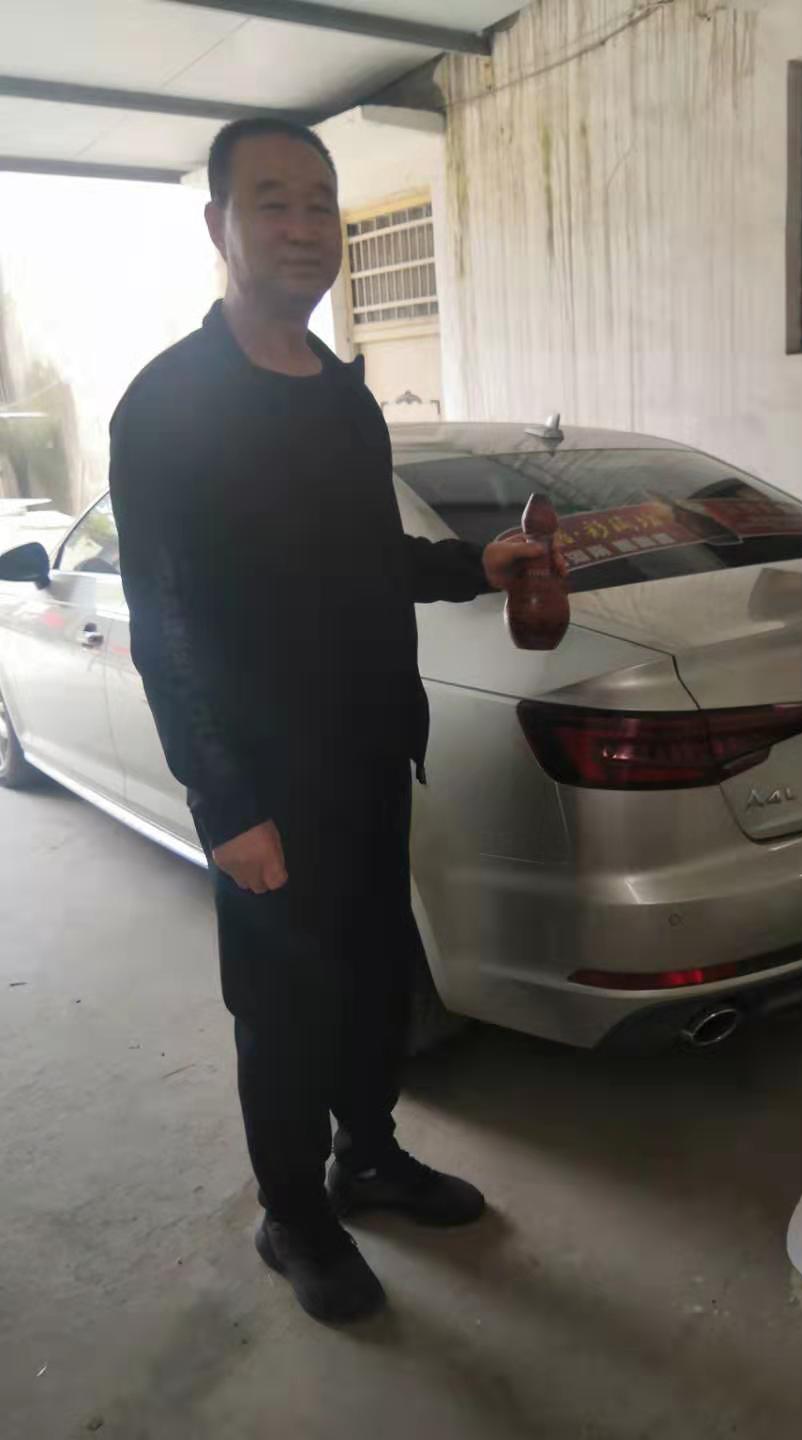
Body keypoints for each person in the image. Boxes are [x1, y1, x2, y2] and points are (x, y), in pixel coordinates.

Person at [109, 117, 561, 1323]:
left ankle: (369, 1155)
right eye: (274, 202)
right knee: (283, 1009)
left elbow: (368, 561)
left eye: (322, 203)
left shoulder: (345, 401)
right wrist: (226, 804)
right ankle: (293, 1214)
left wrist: (474, 564)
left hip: (367, 756)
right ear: (220, 224)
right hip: (265, 777)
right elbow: (164, 626)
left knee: (370, 980)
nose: (305, 227)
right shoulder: (168, 407)